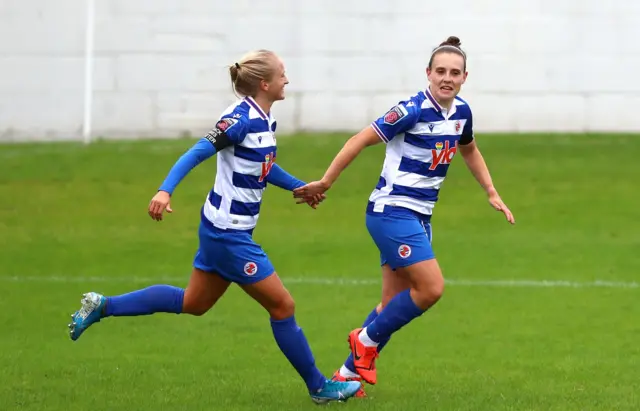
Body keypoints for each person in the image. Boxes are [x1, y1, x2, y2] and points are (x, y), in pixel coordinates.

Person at [67, 49, 361, 404]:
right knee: (283, 307)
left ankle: (102, 306)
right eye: (283, 74)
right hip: (228, 234)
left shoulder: (264, 119)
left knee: (194, 302)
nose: (288, 79)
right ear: (264, 83)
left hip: (225, 230)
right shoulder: (239, 121)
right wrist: (164, 190)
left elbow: (262, 167)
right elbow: (195, 153)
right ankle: (319, 387)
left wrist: (301, 187)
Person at [293, 36, 515, 397]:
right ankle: (363, 341)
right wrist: (326, 181)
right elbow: (359, 139)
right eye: (440, 71)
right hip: (392, 211)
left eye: (454, 73)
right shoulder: (410, 110)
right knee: (431, 288)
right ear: (427, 73)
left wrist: (490, 191)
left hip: (420, 217)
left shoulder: (461, 113)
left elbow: (469, 150)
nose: (447, 78)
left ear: (464, 77)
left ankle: (347, 376)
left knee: (390, 305)